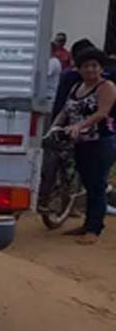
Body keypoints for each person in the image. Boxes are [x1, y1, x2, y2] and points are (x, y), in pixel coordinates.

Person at [51, 48, 116, 244]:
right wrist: (55, 126)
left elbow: (102, 113)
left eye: (94, 66)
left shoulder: (106, 87)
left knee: (97, 185)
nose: (90, 70)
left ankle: (94, 229)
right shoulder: (76, 87)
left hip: (100, 142)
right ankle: (87, 224)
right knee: (88, 183)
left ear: (101, 68)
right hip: (80, 142)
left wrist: (79, 125)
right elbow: (66, 109)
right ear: (79, 69)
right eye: (86, 66)